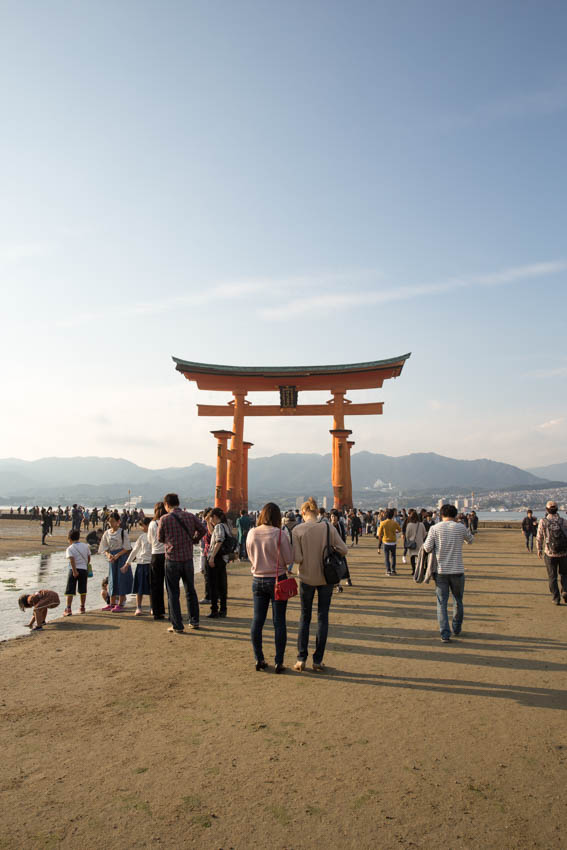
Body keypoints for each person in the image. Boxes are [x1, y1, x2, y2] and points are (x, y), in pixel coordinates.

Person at [292, 497, 348, 672]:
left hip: (306, 577)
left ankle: (301, 658)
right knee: (323, 617)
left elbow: (298, 558)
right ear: (317, 512)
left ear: (303, 512)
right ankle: (318, 660)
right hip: (326, 578)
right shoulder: (327, 527)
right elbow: (344, 549)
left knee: (305, 617)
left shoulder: (298, 530)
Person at [246, 502, 293, 672]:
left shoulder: (252, 532)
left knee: (257, 620)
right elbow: (289, 559)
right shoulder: (279, 534)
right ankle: (279, 661)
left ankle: (259, 658)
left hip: (257, 578)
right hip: (277, 579)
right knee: (279, 622)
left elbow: (249, 553)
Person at [423, 503, 473, 642]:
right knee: (458, 600)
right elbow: (471, 540)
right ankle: (456, 627)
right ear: (455, 515)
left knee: (442, 603)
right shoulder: (460, 527)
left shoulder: (435, 528)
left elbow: (426, 548)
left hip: (441, 571)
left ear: (441, 514)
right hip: (457, 569)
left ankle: (445, 633)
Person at [158, 493, 206, 633]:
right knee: (190, 590)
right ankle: (194, 620)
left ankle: (177, 625)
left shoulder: (164, 519)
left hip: (172, 559)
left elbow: (160, 538)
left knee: (173, 593)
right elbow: (203, 529)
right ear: (178, 503)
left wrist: (170, 541)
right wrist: (194, 539)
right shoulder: (190, 516)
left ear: (167, 504)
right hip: (187, 559)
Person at [98, 511, 133, 612]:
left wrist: (117, 555)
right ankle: (111, 603)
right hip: (112, 558)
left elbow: (127, 547)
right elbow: (104, 547)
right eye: (110, 522)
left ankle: (120, 604)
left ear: (118, 522)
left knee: (121, 579)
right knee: (112, 580)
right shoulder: (107, 533)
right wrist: (108, 555)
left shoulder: (122, 532)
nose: (111, 524)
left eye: (113, 521)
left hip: (121, 558)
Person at [536, 501, 567, 605]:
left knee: (552, 576)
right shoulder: (563, 521)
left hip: (550, 553)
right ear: (557, 509)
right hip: (564, 553)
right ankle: (565, 590)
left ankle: (556, 598)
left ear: (546, 509)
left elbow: (539, 536)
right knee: (565, 574)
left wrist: (539, 549)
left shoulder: (543, 521)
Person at [206, 508, 232, 618]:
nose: (210, 520)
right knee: (222, 584)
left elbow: (219, 540)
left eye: (211, 518)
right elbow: (213, 534)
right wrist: (208, 521)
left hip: (217, 558)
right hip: (223, 558)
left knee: (213, 584)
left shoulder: (219, 526)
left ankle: (214, 610)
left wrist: (212, 557)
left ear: (215, 517)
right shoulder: (225, 525)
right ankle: (223, 609)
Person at [125, 517, 152, 615]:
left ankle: (152, 607)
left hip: (151, 564)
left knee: (151, 587)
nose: (142, 528)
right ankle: (138, 607)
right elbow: (135, 550)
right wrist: (128, 563)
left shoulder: (156, 536)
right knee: (139, 588)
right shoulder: (142, 537)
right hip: (141, 563)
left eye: (142, 526)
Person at [63, 529, 91, 616]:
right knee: (83, 589)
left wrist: (74, 571)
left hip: (73, 570)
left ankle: (68, 608)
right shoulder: (85, 546)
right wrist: (85, 565)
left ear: (69, 538)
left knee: (70, 590)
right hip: (83, 569)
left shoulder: (70, 548)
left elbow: (72, 560)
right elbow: (89, 558)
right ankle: (82, 607)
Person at [147, 502, 167, 620]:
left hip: (155, 555)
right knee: (169, 584)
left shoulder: (152, 524)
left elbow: (150, 540)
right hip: (167, 555)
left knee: (155, 585)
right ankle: (171, 609)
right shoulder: (166, 521)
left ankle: (156, 611)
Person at [377, 509, 402, 575]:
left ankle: (388, 570)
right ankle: (393, 570)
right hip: (393, 541)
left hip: (386, 541)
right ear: (392, 515)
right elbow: (399, 530)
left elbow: (379, 533)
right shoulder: (394, 523)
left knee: (387, 557)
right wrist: (395, 531)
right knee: (393, 556)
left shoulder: (383, 523)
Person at [403, 510, 427, 575]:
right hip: (420, 543)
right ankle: (419, 570)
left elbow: (407, 535)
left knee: (412, 557)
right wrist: (421, 538)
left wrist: (409, 539)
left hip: (412, 543)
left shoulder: (409, 525)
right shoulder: (421, 524)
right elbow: (424, 534)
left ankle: (413, 570)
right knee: (420, 557)